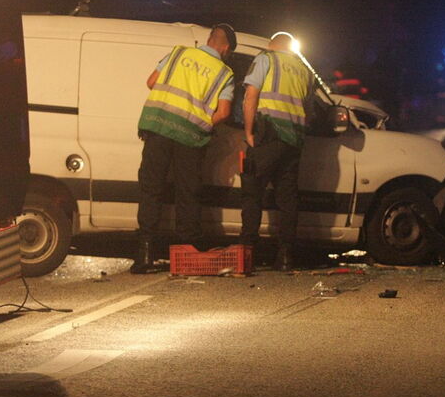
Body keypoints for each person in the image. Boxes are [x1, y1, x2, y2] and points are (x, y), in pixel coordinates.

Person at [131, 24, 237, 274]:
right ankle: (185, 255)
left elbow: (152, 81)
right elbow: (223, 112)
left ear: (209, 39)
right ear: (226, 47)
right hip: (190, 137)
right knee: (187, 191)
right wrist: (201, 123)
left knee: (151, 188)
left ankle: (145, 254)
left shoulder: (178, 53)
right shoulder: (224, 73)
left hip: (158, 127)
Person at [239, 32, 314, 270]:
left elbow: (250, 96)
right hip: (293, 140)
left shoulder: (266, 59)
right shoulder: (304, 70)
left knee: (252, 192)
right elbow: (308, 110)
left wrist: (249, 132)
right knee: (287, 199)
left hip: (268, 135)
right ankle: (285, 256)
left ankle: (247, 252)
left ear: (272, 44)